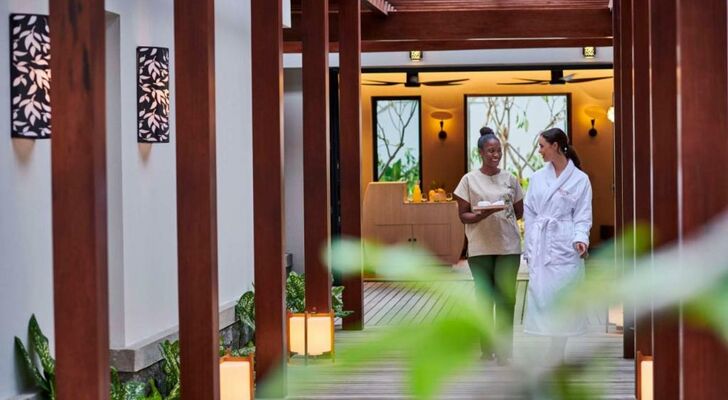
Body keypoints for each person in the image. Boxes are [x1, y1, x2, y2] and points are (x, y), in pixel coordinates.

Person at [454, 127, 524, 365]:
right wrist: (483, 215)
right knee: (485, 298)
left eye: (498, 150)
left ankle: (505, 351)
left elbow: (519, 211)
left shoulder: (510, 179)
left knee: (506, 298)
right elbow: (463, 215)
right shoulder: (468, 180)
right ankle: (487, 349)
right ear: (481, 153)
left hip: (508, 247)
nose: (496, 154)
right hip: (480, 248)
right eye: (491, 151)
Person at [522, 127, 592, 364]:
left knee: (564, 296)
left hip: (565, 244)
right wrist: (530, 243)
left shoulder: (580, 180)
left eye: (542, 146)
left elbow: (582, 215)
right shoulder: (537, 178)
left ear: (555, 146)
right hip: (542, 244)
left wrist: (581, 238)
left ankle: (557, 351)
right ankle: (552, 348)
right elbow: (530, 212)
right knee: (543, 296)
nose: (539, 151)